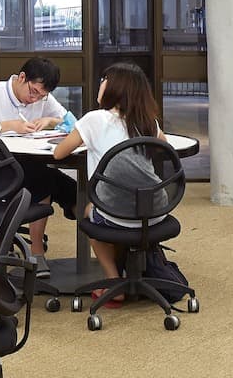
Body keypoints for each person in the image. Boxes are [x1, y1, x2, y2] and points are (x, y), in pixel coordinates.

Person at [53, 61, 167, 285]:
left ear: (116, 88)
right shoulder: (147, 123)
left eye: (104, 80)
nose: (100, 84)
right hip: (155, 211)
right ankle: (129, 271)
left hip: (115, 213)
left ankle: (112, 279)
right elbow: (165, 148)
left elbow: (58, 153)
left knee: (87, 211)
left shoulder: (94, 120)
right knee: (111, 208)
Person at [0, 56, 78, 253]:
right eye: (33, 92)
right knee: (47, 180)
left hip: (27, 164)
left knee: (69, 188)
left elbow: (74, 124)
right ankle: (37, 250)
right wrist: (5, 126)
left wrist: (51, 121)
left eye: (41, 96)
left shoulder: (43, 97)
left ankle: (86, 248)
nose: (34, 99)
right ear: (22, 77)